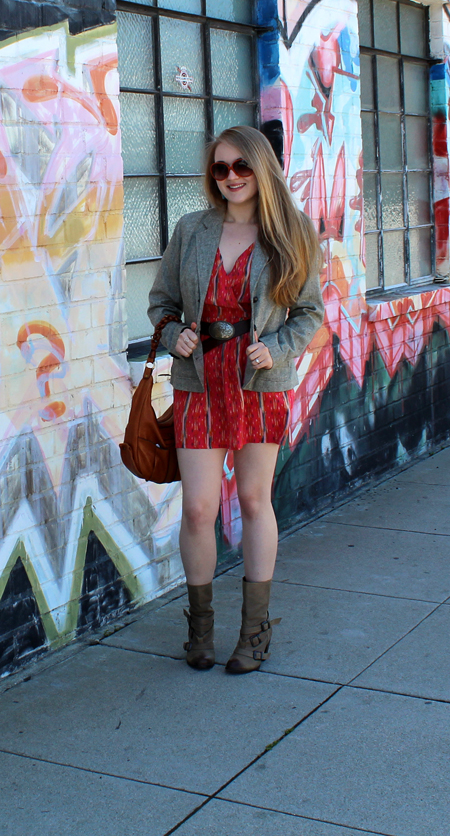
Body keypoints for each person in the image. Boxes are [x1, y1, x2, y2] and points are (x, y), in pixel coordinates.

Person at [148, 125, 323, 673]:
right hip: (198, 380)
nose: (230, 178)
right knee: (199, 508)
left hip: (258, 383)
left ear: (262, 169)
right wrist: (172, 330)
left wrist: (278, 346)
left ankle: (254, 633)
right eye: (220, 168)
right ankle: (200, 632)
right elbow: (161, 302)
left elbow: (311, 313)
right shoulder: (192, 230)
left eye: (241, 167)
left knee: (253, 502)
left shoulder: (290, 233)